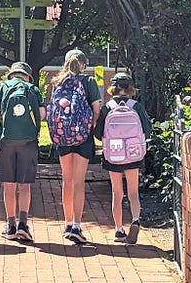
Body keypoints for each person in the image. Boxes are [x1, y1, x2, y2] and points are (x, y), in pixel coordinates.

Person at [0, 62, 46, 241]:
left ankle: (11, 225)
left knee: (9, 185)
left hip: (6, 141)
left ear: (11, 74)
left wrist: (5, 119)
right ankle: (23, 224)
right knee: (25, 184)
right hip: (28, 142)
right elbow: (42, 115)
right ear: (27, 76)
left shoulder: (2, 87)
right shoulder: (33, 89)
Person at [48, 49, 102, 243]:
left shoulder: (58, 82)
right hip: (82, 136)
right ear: (84, 64)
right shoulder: (89, 82)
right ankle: (77, 227)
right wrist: (90, 127)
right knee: (79, 181)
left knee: (67, 180)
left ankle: (67, 223)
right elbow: (96, 110)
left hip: (63, 136)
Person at [93, 73, 151, 244]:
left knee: (117, 193)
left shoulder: (107, 107)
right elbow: (147, 130)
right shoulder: (136, 106)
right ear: (130, 88)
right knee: (133, 192)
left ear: (113, 88)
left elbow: (98, 133)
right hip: (133, 154)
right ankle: (135, 219)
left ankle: (119, 230)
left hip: (114, 154)